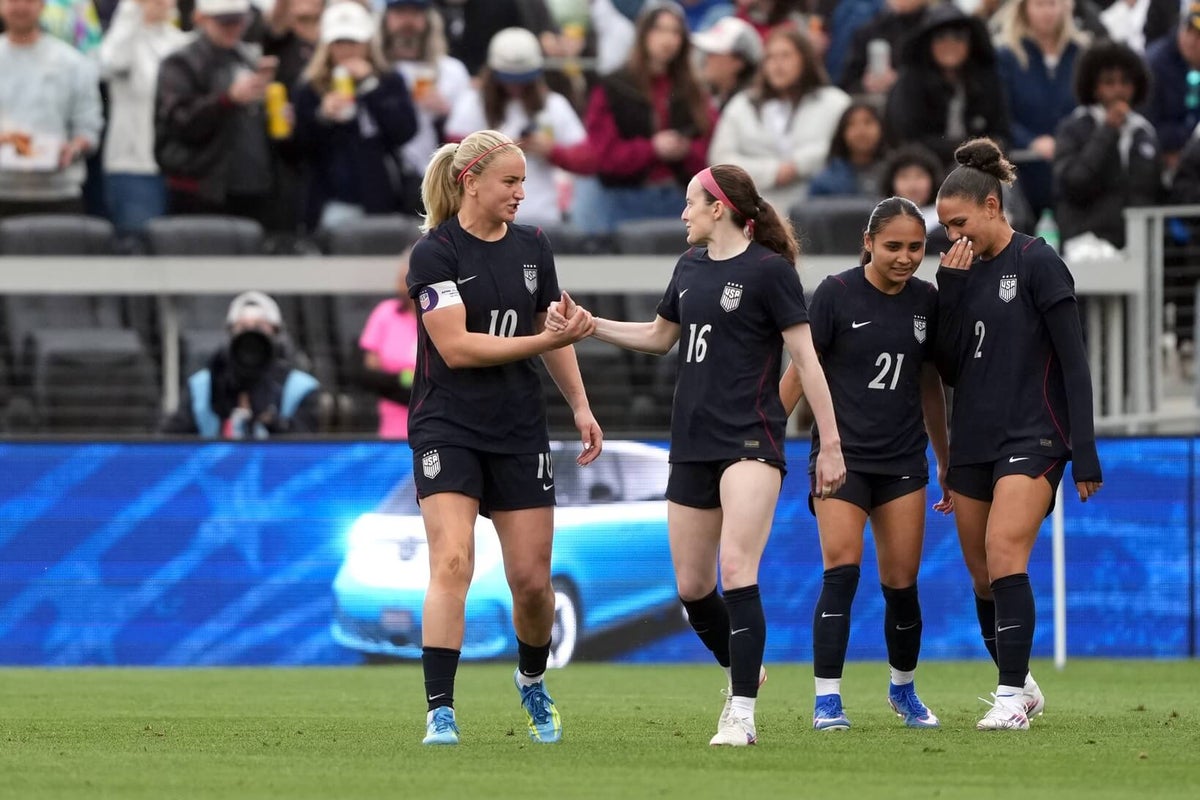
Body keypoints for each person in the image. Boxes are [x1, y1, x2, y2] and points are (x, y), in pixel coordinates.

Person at [548, 163, 846, 746]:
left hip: (751, 440)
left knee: (737, 570)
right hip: (691, 442)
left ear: (720, 208)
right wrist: (590, 326)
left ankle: (741, 711)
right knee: (691, 588)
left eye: (690, 203)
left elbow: (807, 361)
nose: (683, 213)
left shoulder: (770, 272)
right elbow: (660, 337)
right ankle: (744, 668)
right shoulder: (688, 266)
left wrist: (830, 442)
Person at [408, 129, 603, 747]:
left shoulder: (534, 246)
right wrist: (544, 340)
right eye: (510, 181)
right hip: (448, 426)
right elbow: (456, 348)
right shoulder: (435, 253)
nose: (521, 192)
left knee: (533, 582)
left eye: (523, 181)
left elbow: (554, 329)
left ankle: (532, 679)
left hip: (519, 428)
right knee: (453, 561)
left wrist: (580, 405)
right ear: (470, 182)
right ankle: (441, 710)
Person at [934, 138, 1102, 731]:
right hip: (973, 439)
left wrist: (1085, 452)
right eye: (945, 228)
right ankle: (1023, 684)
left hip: (1034, 436)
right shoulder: (958, 274)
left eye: (959, 223)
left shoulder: (1038, 261)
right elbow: (948, 368)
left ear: (991, 206)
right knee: (983, 576)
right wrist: (950, 292)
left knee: (1006, 554)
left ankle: (1008, 699)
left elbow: (1075, 363)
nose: (953, 236)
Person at [776, 196, 948, 731]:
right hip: (840, 460)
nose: (905, 257)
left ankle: (904, 690)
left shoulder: (927, 301)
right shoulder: (836, 293)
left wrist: (945, 460)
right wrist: (762, 438)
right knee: (842, 572)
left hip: (903, 461)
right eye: (893, 246)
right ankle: (827, 700)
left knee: (902, 584)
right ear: (868, 243)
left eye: (915, 247)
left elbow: (930, 385)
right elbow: (800, 371)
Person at [292, 0, 418, 231]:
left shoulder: (388, 81)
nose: (347, 50)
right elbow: (297, 149)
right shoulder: (310, 86)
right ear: (327, 45)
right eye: (339, 42)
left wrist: (371, 88)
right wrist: (321, 116)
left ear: (368, 43)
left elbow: (404, 131)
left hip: (381, 197)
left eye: (354, 42)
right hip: (330, 199)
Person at [445, 26, 586, 227]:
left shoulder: (554, 105)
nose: (515, 87)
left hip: (541, 217)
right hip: (483, 220)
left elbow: (587, 159)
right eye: (508, 79)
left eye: (523, 80)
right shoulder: (473, 103)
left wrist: (552, 151)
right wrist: (499, 151)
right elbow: (451, 159)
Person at [154, 0, 279, 223]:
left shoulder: (248, 58)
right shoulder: (181, 62)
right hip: (202, 189)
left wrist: (274, 115)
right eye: (225, 22)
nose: (233, 28)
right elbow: (180, 123)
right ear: (202, 19)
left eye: (239, 21)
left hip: (251, 186)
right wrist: (227, 100)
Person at [707, 25, 850, 213]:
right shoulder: (741, 105)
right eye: (771, 57)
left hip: (818, 206)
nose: (777, 64)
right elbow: (720, 159)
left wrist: (797, 166)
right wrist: (772, 172)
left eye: (786, 56)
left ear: (805, 59)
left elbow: (845, 148)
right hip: (756, 209)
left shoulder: (835, 102)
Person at [162, 291, 321, 438]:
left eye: (260, 328)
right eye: (242, 328)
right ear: (230, 334)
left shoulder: (301, 388)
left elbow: (306, 448)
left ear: (277, 333)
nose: (250, 337)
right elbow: (170, 442)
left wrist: (271, 421)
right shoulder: (201, 386)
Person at [1053, 37, 1162, 252]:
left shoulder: (1144, 132)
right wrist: (1107, 131)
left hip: (1139, 245)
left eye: (1126, 82)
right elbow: (1073, 184)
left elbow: (1154, 193)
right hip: (1086, 245)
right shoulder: (1074, 128)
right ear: (1094, 87)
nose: (1118, 90)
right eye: (1109, 82)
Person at [0, 0, 103, 219]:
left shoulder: (73, 63)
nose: (21, 7)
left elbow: (89, 126)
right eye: (13, 0)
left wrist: (73, 148)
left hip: (59, 192)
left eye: (29, 1)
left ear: (42, 5)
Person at [98, 0, 189, 237]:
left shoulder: (180, 42)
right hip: (134, 166)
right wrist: (132, 11)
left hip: (180, 165)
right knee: (138, 244)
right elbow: (110, 64)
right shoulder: (124, 38)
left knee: (184, 246)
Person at [993, 0, 1090, 222]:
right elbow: (1001, 115)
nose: (1047, 12)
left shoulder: (1081, 52)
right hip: (1022, 171)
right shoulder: (1006, 55)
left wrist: (1067, 141)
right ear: (1024, 8)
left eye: (1052, 4)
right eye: (1039, 4)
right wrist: (1031, 141)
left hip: (1073, 170)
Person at [358, 247, 420, 439]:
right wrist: (406, 378)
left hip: (436, 423)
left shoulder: (443, 315)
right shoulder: (385, 312)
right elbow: (371, 369)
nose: (401, 282)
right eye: (400, 276)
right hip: (393, 427)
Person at [808, 101, 888, 198]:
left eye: (868, 122)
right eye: (852, 124)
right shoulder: (824, 182)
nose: (861, 131)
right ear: (842, 133)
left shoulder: (896, 175)